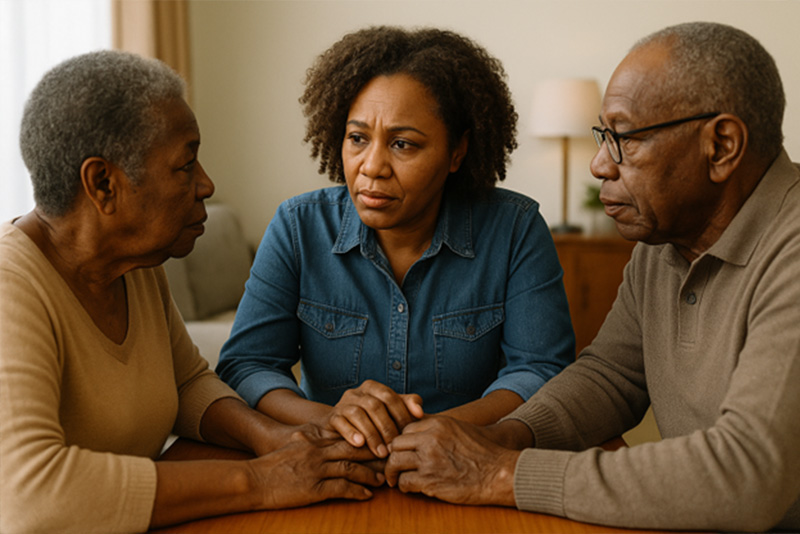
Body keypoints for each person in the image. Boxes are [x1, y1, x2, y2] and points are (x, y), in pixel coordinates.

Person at [383, 21, 800, 532]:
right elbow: (611, 377)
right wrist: (507, 436)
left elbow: (747, 476)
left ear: (721, 146)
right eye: (604, 137)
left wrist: (501, 473)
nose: (600, 165)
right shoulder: (668, 239)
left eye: (622, 138)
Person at [0, 50, 383, 534]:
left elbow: (185, 384)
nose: (206, 184)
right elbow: (28, 494)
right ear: (103, 183)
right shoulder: (10, 288)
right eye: (185, 165)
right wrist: (259, 480)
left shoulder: (133, 264)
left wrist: (276, 437)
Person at [216, 26, 574, 459]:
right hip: (333, 461)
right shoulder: (297, 226)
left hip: (465, 463)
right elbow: (246, 365)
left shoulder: (515, 229)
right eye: (358, 138)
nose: (372, 167)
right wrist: (329, 420)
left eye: (403, 144)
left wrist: (440, 430)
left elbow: (540, 368)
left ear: (457, 152)